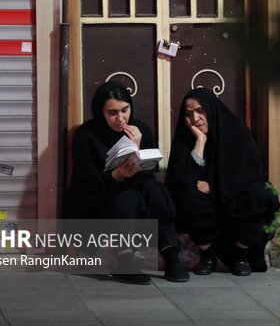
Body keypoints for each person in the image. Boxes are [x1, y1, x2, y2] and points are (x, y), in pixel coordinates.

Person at [64, 81, 189, 284]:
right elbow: (88, 182)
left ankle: (171, 256)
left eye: (125, 110)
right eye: (112, 113)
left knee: (155, 191)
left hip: (133, 192)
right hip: (94, 199)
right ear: (100, 111)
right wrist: (118, 173)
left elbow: (146, 176)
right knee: (126, 196)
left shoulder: (139, 130)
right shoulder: (86, 134)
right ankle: (124, 259)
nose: (120, 118)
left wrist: (136, 149)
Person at [165, 87, 280, 276]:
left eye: (200, 110)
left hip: (236, 200)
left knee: (260, 193)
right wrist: (200, 142)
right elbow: (184, 180)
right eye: (189, 113)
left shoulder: (236, 132)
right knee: (187, 196)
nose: (195, 118)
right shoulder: (186, 139)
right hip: (208, 207)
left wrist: (214, 186)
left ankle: (240, 254)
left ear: (211, 109)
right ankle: (208, 255)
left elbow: (249, 175)